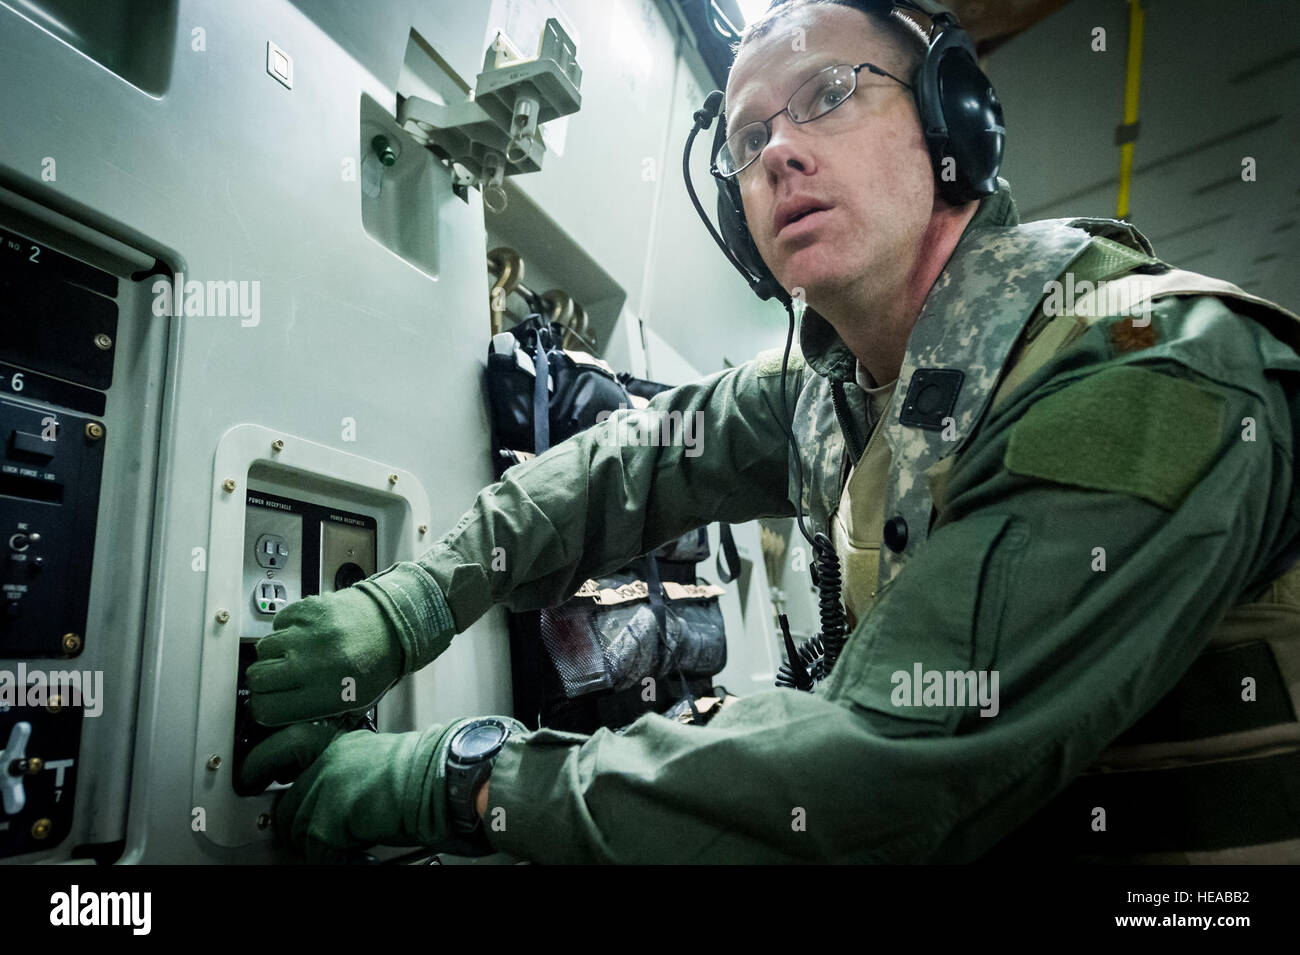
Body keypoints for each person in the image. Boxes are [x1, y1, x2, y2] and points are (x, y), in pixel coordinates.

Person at [239, 0, 1300, 863]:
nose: (780, 151)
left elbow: (874, 773)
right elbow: (637, 456)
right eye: (748, 138)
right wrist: (417, 599)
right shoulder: (835, 382)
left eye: (827, 95)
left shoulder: (1143, 366)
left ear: (951, 120)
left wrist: (461, 781)